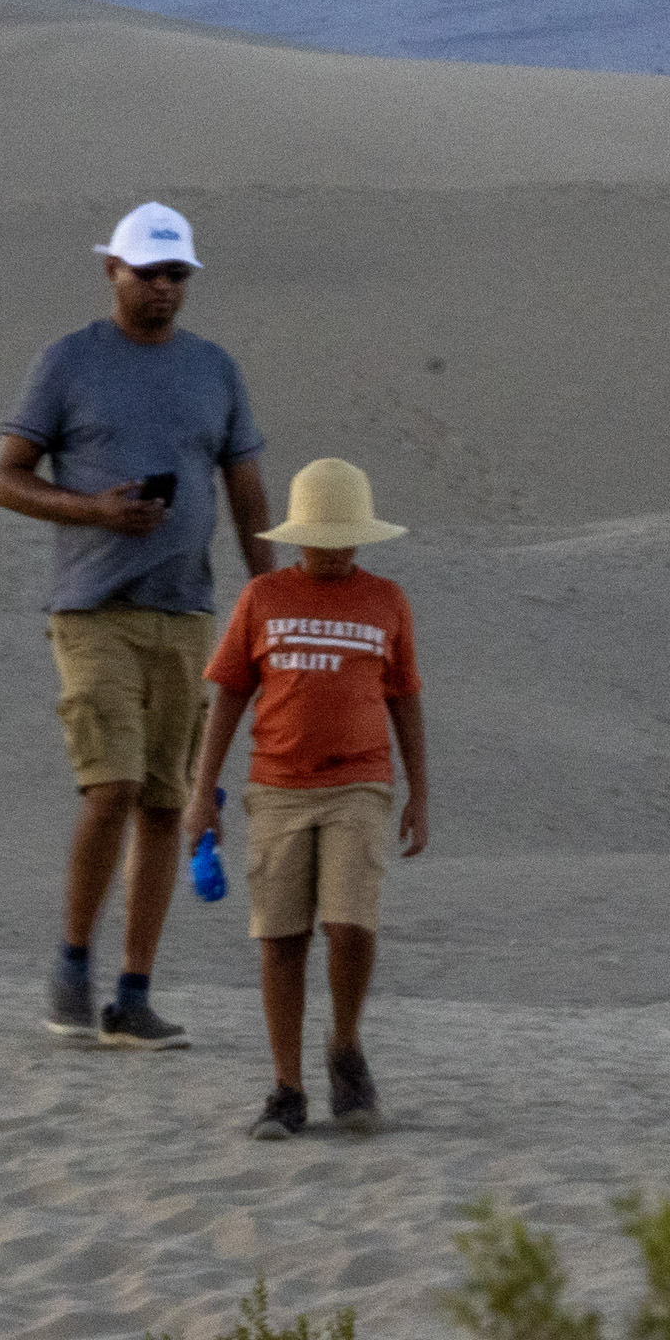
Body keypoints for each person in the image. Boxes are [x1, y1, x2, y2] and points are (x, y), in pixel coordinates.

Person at [0, 202, 275, 1051]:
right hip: (92, 609)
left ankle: (134, 993)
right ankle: (71, 964)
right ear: (110, 269)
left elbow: (247, 489)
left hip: (186, 612)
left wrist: (274, 606)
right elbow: (5, 478)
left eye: (175, 275)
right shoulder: (68, 362)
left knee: (165, 803)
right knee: (108, 786)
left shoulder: (214, 370)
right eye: (147, 273)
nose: (162, 289)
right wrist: (93, 511)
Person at [185, 460, 430, 1139]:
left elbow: (405, 697)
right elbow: (229, 692)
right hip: (278, 788)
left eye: (345, 537)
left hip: (360, 782)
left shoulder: (387, 601)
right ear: (297, 537)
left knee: (350, 925)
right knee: (281, 938)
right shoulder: (263, 598)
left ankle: (345, 1043)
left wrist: (419, 792)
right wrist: (201, 793)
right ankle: (286, 1088)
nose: (333, 549)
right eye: (321, 537)